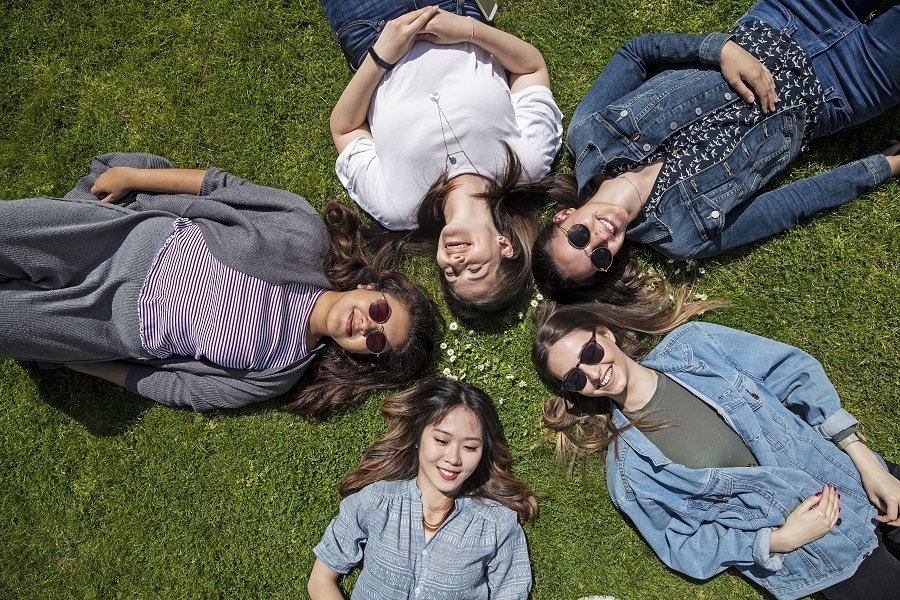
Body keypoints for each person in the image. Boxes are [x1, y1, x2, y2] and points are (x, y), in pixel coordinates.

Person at [0, 152, 440, 415]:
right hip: (118, 241)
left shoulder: (278, 373)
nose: (368, 326)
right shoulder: (303, 232)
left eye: (377, 342)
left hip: (102, 327)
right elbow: (218, 187)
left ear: (363, 356)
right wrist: (133, 177)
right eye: (381, 312)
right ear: (370, 287)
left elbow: (182, 389)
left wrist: (82, 361)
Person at [533, 0, 900, 299]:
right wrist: (883, 166)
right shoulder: (683, 236)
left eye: (579, 236)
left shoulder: (589, 133)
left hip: (790, 17)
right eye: (599, 257)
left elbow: (636, 53)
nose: (599, 238)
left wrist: (721, 50)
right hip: (844, 89)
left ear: (563, 215)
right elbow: (788, 207)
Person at [532, 302, 900, 600]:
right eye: (577, 378)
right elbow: (682, 545)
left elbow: (794, 374)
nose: (595, 374)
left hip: (856, 477)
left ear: (606, 333)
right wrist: (778, 540)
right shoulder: (630, 473)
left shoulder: (696, 346)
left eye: (591, 352)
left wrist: (866, 459)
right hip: (823, 552)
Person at [319, 1, 563, 316]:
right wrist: (469, 30)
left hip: (369, 28)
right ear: (505, 246)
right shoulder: (528, 164)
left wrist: (381, 54)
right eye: (474, 270)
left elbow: (345, 128)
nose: (456, 262)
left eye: (450, 273)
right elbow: (531, 68)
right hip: (453, 9)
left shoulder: (397, 207)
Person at [308, 378, 537, 599]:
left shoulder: (497, 525)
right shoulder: (375, 500)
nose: (453, 458)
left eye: (469, 447)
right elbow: (320, 580)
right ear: (418, 437)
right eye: (441, 441)